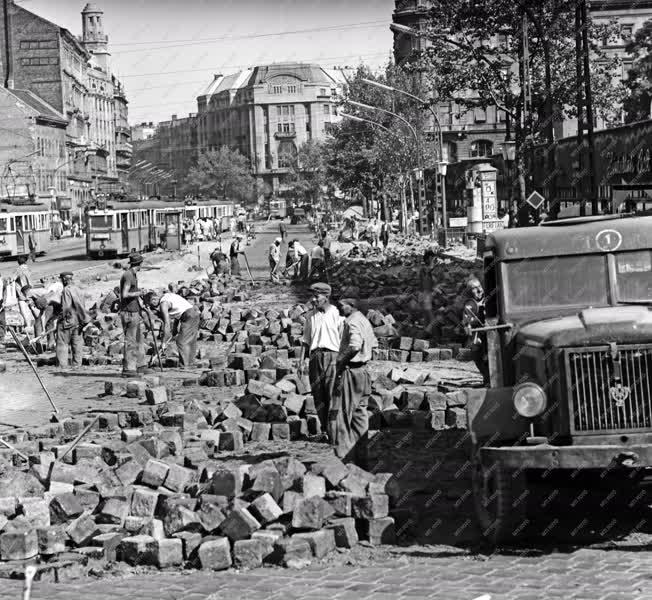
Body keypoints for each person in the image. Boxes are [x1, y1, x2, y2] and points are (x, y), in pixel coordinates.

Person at [331, 297, 378, 463]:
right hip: (363, 372)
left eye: (341, 306)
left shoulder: (352, 322)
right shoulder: (363, 320)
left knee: (341, 415)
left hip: (351, 372)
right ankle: (361, 458)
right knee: (360, 415)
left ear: (351, 306)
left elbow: (355, 345)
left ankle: (344, 458)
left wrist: (340, 360)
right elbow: (373, 343)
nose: (339, 309)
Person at [301, 282, 342, 440]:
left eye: (316, 296)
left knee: (332, 394)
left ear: (326, 297)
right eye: (312, 296)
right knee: (318, 395)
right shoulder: (310, 316)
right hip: (315, 357)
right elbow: (306, 340)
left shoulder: (337, 314)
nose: (313, 299)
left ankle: (335, 430)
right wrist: (301, 362)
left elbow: (343, 339)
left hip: (332, 356)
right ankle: (325, 429)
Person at [147, 290, 199, 368]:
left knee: (181, 342)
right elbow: (178, 312)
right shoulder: (167, 296)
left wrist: (164, 342)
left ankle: (185, 366)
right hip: (194, 313)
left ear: (154, 299)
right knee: (191, 341)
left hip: (189, 315)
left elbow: (167, 324)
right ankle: (191, 364)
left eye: (151, 304)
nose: (153, 307)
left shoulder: (163, 304)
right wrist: (174, 329)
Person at [55, 272, 90, 368]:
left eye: (62, 279)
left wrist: (60, 320)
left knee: (62, 344)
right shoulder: (79, 290)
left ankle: (62, 367)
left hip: (68, 321)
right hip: (79, 321)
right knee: (77, 345)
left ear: (65, 280)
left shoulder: (66, 290)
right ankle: (77, 366)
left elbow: (66, 308)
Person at [120, 252, 146, 377]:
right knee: (130, 341)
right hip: (129, 312)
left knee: (139, 338)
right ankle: (129, 369)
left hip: (134, 311)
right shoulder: (128, 275)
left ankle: (141, 365)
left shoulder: (133, 275)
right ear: (139, 264)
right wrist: (139, 293)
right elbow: (125, 294)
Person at [460, 276, 490, 386]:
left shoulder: (490, 300)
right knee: (477, 356)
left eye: (479, 287)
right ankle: (486, 377)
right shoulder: (469, 304)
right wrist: (469, 323)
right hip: (477, 336)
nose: (479, 290)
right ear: (469, 291)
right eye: (474, 288)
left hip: (491, 334)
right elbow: (466, 321)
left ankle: (491, 379)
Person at [419, 248, 437, 328]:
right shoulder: (426, 270)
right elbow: (427, 283)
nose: (434, 260)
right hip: (426, 295)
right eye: (433, 259)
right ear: (430, 258)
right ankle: (431, 332)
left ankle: (425, 332)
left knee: (426, 315)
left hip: (425, 294)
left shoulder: (425, 269)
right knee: (430, 315)